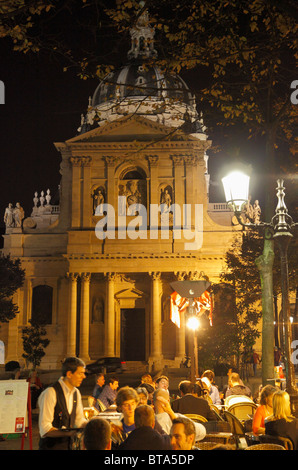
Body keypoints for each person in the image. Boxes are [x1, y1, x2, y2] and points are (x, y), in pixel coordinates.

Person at [38, 357, 88, 450]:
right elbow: (45, 429)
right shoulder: (51, 392)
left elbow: (79, 421)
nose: (84, 376)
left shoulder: (76, 393)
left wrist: (96, 424)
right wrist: (68, 433)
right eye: (80, 373)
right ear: (69, 374)